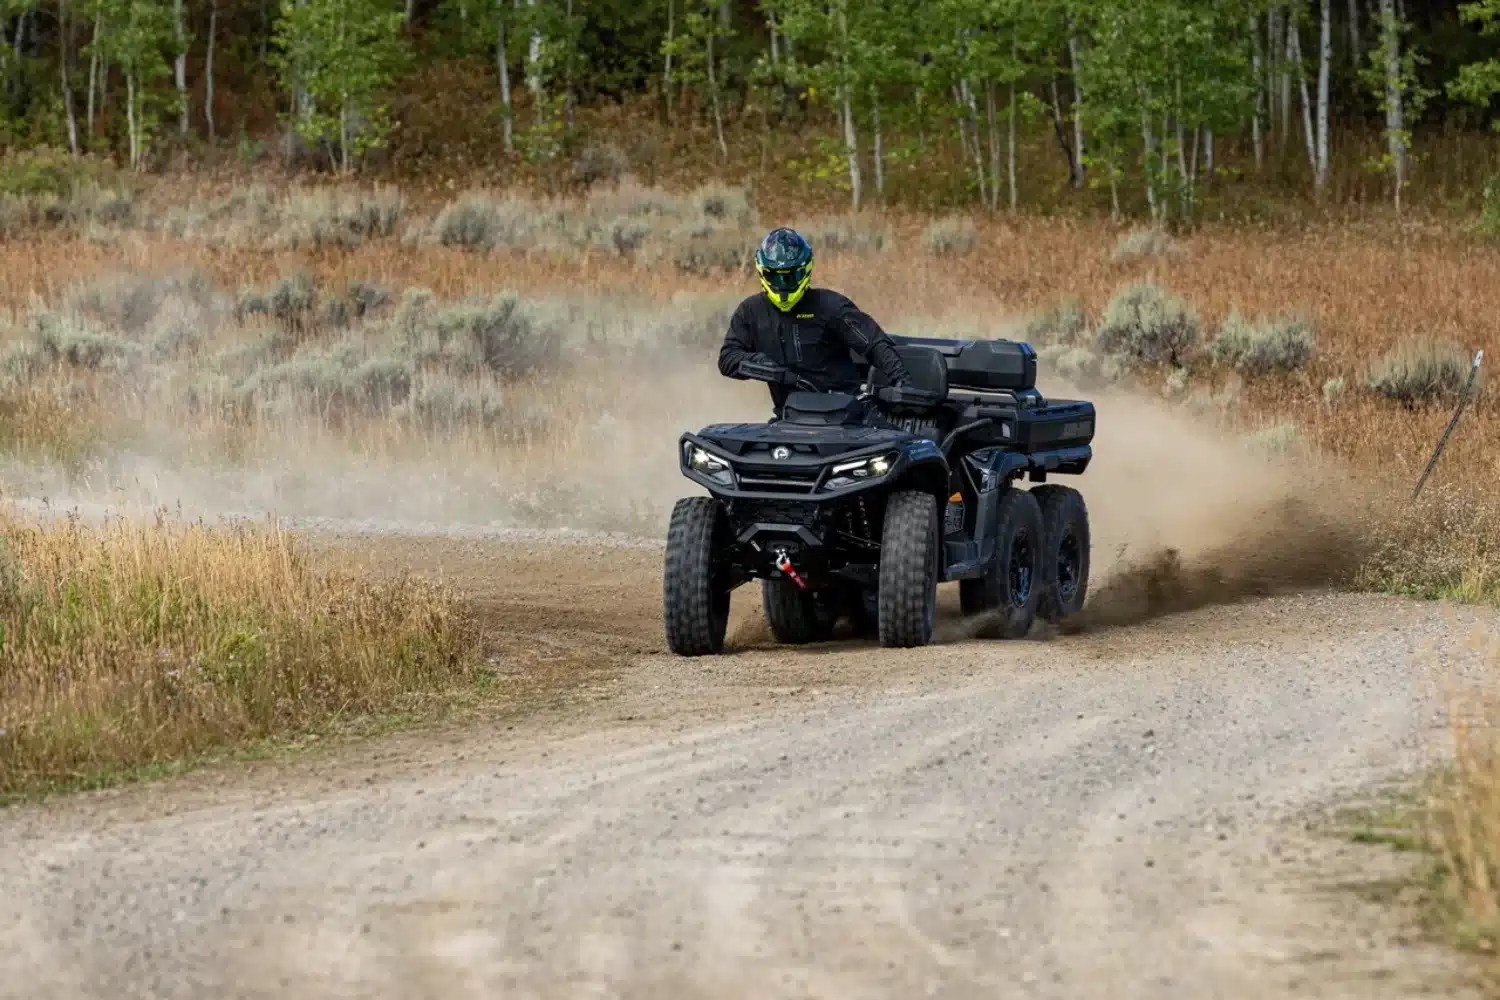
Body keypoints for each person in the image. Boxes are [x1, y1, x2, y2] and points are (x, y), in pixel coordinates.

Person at [718, 227, 913, 417]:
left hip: (847, 416)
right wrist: (762, 364)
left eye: (791, 276)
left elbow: (874, 344)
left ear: (806, 271)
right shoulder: (751, 311)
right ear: (763, 273)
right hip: (789, 418)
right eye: (775, 276)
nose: (783, 284)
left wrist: (902, 382)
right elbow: (727, 359)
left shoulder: (832, 306)